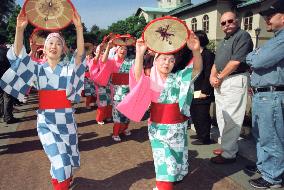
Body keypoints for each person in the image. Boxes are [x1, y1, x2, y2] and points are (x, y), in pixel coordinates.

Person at [0, 9, 85, 190]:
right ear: (44, 49)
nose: (54, 46)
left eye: (58, 43)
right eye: (50, 43)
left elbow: (80, 57)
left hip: (67, 121)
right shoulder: (37, 69)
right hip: (46, 121)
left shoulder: (68, 69)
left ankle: (61, 182)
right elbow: (18, 57)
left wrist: (78, 28)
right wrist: (19, 30)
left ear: (63, 49)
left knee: (66, 162)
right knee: (61, 163)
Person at [117, 31, 202, 190]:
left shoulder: (179, 78)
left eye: (171, 60)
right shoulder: (149, 81)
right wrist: (140, 53)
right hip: (158, 130)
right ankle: (163, 186)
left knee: (175, 161)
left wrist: (196, 50)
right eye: (163, 59)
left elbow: (196, 70)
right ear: (155, 61)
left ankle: (165, 183)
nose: (167, 63)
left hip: (178, 129)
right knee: (164, 164)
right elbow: (137, 77)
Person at [245, 0, 284, 188]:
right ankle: (264, 167)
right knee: (260, 135)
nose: (266, 19)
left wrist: (255, 56)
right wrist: (255, 56)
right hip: (263, 95)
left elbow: (259, 60)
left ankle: (273, 178)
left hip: (273, 95)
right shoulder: (275, 38)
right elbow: (254, 57)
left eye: (271, 15)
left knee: (272, 138)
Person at [209, 11, 253, 164]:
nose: (226, 24)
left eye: (230, 21)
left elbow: (235, 63)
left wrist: (219, 78)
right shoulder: (224, 41)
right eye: (223, 23)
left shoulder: (243, 36)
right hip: (222, 80)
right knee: (222, 117)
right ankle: (227, 147)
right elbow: (216, 63)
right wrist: (212, 76)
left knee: (232, 117)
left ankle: (229, 154)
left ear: (238, 21)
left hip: (234, 79)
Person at [95, 40, 134, 142]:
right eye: (121, 48)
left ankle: (124, 129)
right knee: (118, 113)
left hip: (128, 90)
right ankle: (115, 133)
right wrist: (108, 46)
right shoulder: (112, 61)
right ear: (117, 50)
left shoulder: (130, 61)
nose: (123, 50)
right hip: (117, 91)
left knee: (128, 113)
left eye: (125, 49)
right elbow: (103, 61)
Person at [190, 30, 215, 145]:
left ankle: (205, 138)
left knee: (202, 114)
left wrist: (205, 91)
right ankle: (200, 133)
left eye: (195, 38)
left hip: (203, 89)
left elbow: (208, 73)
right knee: (195, 113)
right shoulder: (194, 54)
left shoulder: (207, 54)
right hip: (194, 88)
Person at [89, 43, 112, 125]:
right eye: (100, 51)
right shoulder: (93, 61)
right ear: (95, 52)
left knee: (109, 102)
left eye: (103, 51)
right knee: (102, 103)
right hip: (100, 85)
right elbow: (100, 61)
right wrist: (100, 52)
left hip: (109, 84)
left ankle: (108, 116)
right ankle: (99, 118)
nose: (102, 52)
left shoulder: (109, 60)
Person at [0, 43, 20, 124]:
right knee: (8, 97)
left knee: (1, 97)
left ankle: (3, 114)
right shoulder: (5, 52)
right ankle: (8, 117)